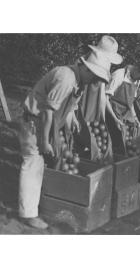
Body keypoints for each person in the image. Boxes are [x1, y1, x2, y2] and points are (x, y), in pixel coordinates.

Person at [21, 35, 120, 229]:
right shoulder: (66, 78)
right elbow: (48, 111)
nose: (94, 81)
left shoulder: (78, 82)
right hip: (34, 122)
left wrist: (72, 120)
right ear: (85, 67)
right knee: (32, 163)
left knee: (45, 164)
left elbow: (67, 108)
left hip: (46, 123)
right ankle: (28, 214)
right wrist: (46, 140)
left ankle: (46, 202)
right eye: (94, 75)